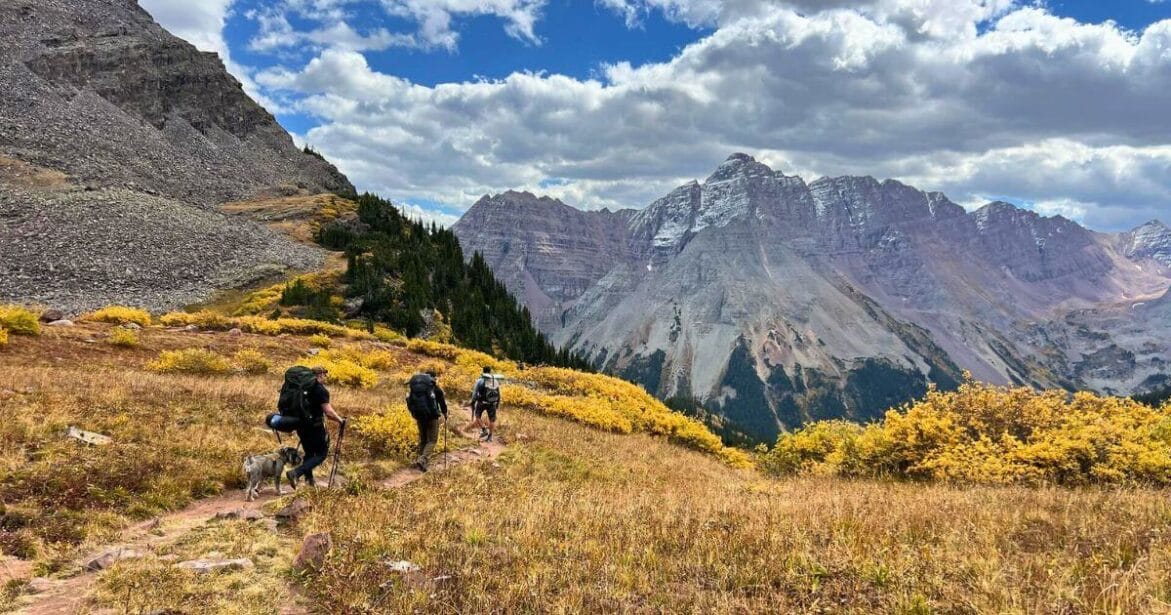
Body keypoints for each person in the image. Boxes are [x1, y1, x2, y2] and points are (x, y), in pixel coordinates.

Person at [286, 366, 346, 488]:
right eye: (324, 375)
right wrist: (340, 420)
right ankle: (296, 473)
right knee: (321, 454)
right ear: (320, 375)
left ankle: (310, 481)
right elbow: (328, 412)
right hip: (315, 426)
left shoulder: (301, 388)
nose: (325, 377)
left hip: (300, 426)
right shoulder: (320, 390)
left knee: (309, 453)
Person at [406, 370, 448, 472]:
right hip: (432, 417)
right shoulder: (436, 389)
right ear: (433, 378)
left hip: (419, 416)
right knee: (432, 440)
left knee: (423, 439)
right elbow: (442, 403)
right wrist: (445, 413)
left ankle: (421, 462)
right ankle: (422, 459)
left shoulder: (415, 388)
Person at [468, 366, 501, 442]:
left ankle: (484, 429)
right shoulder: (494, 381)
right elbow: (498, 393)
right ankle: (490, 437)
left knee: (477, 416)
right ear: (490, 371)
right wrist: (498, 403)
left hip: (481, 402)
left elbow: (475, 393)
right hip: (492, 403)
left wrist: (473, 401)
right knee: (492, 420)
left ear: (483, 371)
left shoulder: (480, 380)